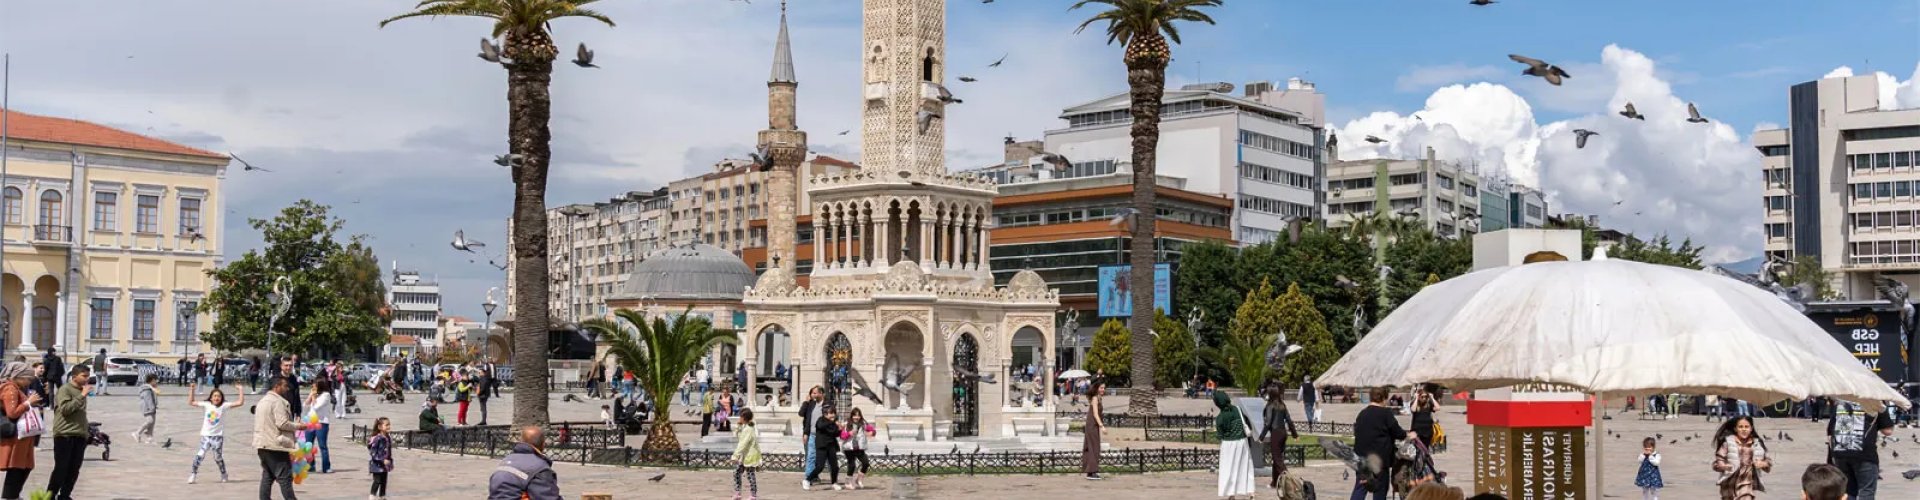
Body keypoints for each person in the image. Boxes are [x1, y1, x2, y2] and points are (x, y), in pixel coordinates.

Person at [1826, 400, 1895, 500]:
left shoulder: (1841, 402)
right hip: (1864, 454)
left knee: (1847, 492)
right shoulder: (1875, 402)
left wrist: (1831, 456)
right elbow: (1888, 431)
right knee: (1866, 491)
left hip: (1840, 452)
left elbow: (1830, 433)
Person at [1353, 386, 1413, 500]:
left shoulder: (1362, 413)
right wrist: (1409, 435)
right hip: (1379, 459)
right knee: (1380, 490)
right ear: (1383, 398)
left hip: (1361, 458)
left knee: (1360, 488)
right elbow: (1398, 432)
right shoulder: (1385, 413)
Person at [47, 365, 91, 500]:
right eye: (84, 376)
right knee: (61, 468)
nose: (87, 379)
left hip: (79, 434)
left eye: (88, 376)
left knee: (74, 469)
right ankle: (50, 495)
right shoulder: (65, 389)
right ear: (74, 376)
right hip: (64, 434)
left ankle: (65, 495)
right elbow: (66, 409)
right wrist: (82, 396)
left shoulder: (81, 390)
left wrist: (86, 431)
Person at [0, 362, 44, 499]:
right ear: (18, 376)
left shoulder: (17, 388)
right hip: (17, 437)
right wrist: (28, 403)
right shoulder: (10, 389)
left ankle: (13, 495)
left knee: (25, 466)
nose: (29, 382)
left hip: (24, 437)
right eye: (27, 378)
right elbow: (12, 412)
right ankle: (10, 496)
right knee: (17, 467)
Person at [254, 376, 302, 499]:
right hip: (275, 445)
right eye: (284, 386)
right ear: (276, 386)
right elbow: (282, 423)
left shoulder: (263, 401)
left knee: (268, 476)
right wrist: (299, 426)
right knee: (285, 477)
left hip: (262, 443)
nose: (287, 389)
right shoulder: (277, 402)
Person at [488, 426, 561, 500]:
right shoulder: (540, 467)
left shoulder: (506, 460)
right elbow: (547, 497)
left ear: (521, 441)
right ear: (543, 445)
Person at [1712, 415, 1772, 500]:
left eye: (1746, 427)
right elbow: (1718, 460)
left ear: (1751, 428)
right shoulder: (1728, 443)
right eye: (1740, 427)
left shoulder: (1757, 444)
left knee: (1746, 497)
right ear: (1735, 429)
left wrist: (1763, 464)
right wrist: (1723, 466)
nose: (1744, 429)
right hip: (1729, 483)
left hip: (1747, 482)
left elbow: (1768, 461)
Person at [1214, 391, 1255, 499]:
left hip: (1228, 445)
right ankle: (1251, 492)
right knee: (1245, 466)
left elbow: (1220, 435)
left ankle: (1231, 493)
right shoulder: (1237, 409)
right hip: (1242, 442)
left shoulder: (1220, 418)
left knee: (1228, 469)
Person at [1259, 385, 1299, 488]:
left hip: (1276, 434)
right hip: (1283, 433)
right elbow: (1289, 420)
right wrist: (1295, 434)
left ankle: (1292, 483)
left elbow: (1268, 423)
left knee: (1278, 460)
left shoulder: (1270, 406)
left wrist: (1261, 437)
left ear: (1271, 394)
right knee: (1276, 458)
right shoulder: (1282, 405)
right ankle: (1275, 482)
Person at [805, 406, 843, 490]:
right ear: (825, 414)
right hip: (822, 446)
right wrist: (832, 422)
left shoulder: (833, 423)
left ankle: (834, 482)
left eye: (834, 413)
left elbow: (835, 433)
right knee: (820, 466)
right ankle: (807, 480)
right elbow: (821, 426)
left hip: (831, 445)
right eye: (831, 413)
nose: (833, 415)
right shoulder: (820, 420)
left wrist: (840, 429)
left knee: (835, 466)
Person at [307, 379, 337, 474]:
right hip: (311, 421)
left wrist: (313, 397)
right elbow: (305, 405)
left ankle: (326, 467)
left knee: (322, 445)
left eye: (314, 386)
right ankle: (310, 465)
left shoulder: (326, 395)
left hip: (321, 422)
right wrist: (310, 396)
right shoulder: (314, 394)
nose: (313, 388)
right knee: (308, 444)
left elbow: (316, 407)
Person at [798, 386, 824, 488]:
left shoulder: (825, 404)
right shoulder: (810, 404)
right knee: (810, 455)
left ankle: (815, 475)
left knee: (820, 457)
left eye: (815, 393)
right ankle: (809, 477)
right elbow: (801, 414)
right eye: (812, 393)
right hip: (809, 433)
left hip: (821, 434)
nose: (813, 395)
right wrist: (806, 402)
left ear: (821, 394)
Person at [732, 408, 762, 500]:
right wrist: (738, 426)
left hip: (750, 456)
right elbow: (738, 437)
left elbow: (743, 443)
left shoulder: (748, 429)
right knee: (737, 472)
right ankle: (737, 492)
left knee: (750, 475)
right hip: (744, 455)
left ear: (744, 418)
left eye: (740, 417)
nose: (739, 418)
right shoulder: (745, 427)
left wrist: (735, 455)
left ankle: (753, 495)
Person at [842, 408, 874, 490]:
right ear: (852, 416)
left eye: (858, 415)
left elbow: (872, 430)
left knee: (866, 463)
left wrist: (872, 433)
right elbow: (842, 436)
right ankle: (848, 482)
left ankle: (859, 479)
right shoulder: (847, 424)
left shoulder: (863, 424)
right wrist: (849, 433)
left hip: (859, 448)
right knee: (852, 465)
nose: (856, 417)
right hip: (849, 448)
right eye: (855, 415)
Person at [1083, 381, 1106, 480]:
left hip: (1094, 425)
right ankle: (1092, 471)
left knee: (1094, 446)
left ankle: (1091, 470)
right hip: (1092, 424)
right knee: (1094, 447)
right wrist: (1102, 426)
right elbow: (1095, 414)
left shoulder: (1099, 398)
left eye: (1104, 388)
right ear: (1097, 388)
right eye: (1101, 388)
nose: (1103, 390)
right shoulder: (1095, 398)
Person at [368, 417, 394, 500]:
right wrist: (382, 460)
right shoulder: (377, 438)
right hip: (377, 465)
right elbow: (373, 453)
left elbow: (388, 451)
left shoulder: (387, 437)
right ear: (379, 427)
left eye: (389, 424)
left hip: (385, 465)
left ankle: (382, 497)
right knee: (377, 481)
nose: (389, 426)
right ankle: (372, 496)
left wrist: (390, 460)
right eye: (386, 425)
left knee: (384, 481)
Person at [135, 373, 159, 444]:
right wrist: (152, 407)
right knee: (150, 421)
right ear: (152, 380)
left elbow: (153, 397)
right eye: (155, 380)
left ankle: (149, 438)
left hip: (151, 408)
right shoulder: (146, 389)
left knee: (152, 423)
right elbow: (148, 400)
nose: (157, 382)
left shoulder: (151, 388)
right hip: (147, 408)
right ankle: (137, 432)